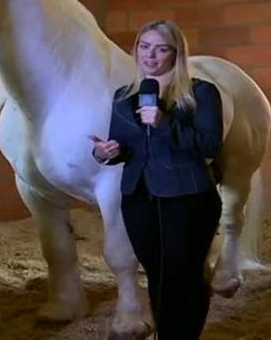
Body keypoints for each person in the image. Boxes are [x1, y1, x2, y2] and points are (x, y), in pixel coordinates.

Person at [90, 20, 223, 339]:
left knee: (184, 275)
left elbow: (209, 145)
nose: (150, 55)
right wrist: (105, 152)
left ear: (176, 54)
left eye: (161, 48)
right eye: (145, 47)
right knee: (158, 274)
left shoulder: (201, 92)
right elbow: (124, 147)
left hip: (188, 197)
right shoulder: (124, 96)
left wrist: (164, 123)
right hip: (139, 198)